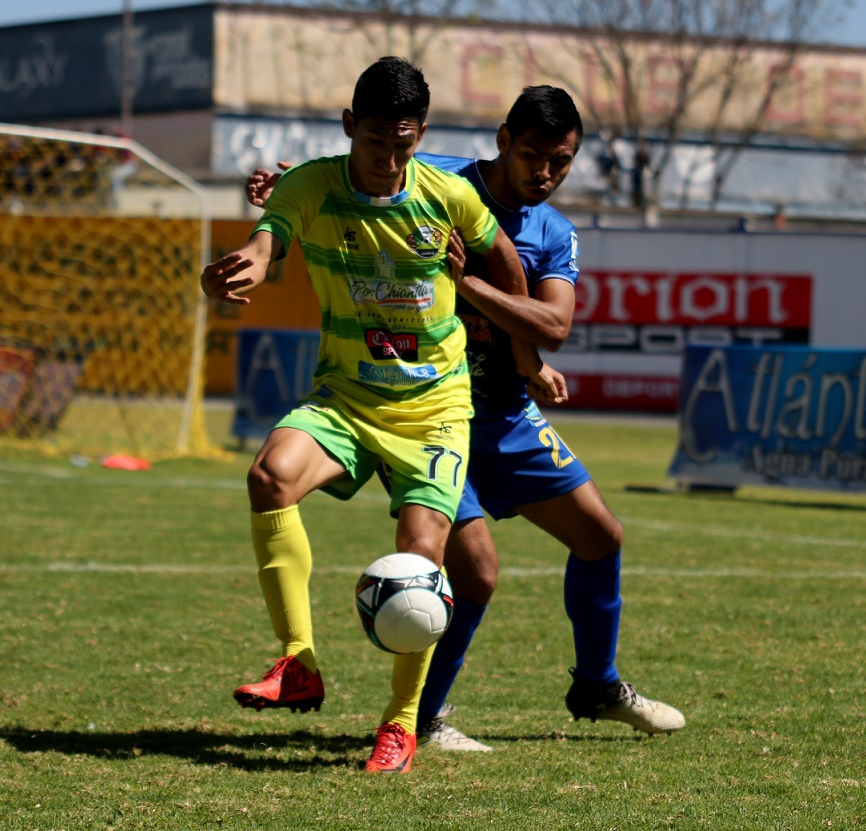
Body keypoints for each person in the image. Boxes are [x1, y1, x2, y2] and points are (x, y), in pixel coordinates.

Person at [247, 86, 685, 753]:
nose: (545, 173)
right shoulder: (441, 178)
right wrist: (285, 182)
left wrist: (478, 294)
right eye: (534, 155)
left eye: (561, 163)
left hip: (505, 413)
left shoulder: (552, 233)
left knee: (602, 537)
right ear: (504, 140)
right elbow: (360, 171)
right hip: (426, 408)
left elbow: (555, 323)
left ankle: (596, 685)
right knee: (475, 574)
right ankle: (420, 718)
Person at [201, 57, 537, 775]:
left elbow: (509, 271)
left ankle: (402, 724)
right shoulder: (312, 184)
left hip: (433, 411)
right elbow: (272, 237)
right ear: (349, 126)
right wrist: (253, 265)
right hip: (347, 398)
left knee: (421, 557)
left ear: (422, 135)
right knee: (270, 476)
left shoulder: (449, 198)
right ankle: (297, 662)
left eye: (405, 143)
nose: (389, 159)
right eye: (377, 140)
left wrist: (493, 320)